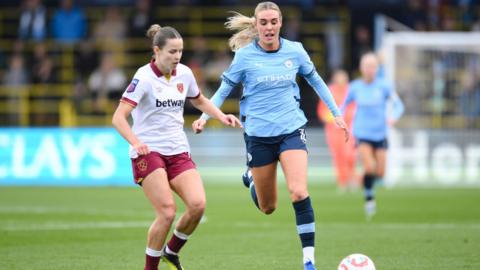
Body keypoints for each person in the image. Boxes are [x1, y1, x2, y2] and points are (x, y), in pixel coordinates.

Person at [191, 2, 348, 270]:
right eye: (263, 22)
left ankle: (308, 260)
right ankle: (251, 177)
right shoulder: (244, 57)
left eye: (273, 21)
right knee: (268, 207)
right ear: (256, 25)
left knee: (298, 192)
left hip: (291, 130)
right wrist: (205, 117)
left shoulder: (295, 51)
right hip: (258, 136)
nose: (269, 27)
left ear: (280, 23)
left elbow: (317, 81)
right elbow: (223, 89)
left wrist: (337, 114)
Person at [112, 24, 241, 270]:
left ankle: (171, 253)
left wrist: (221, 116)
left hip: (178, 150)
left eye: (180, 51)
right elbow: (118, 118)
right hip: (149, 152)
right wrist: (136, 142)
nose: (177, 57)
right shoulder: (143, 77)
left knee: (197, 205)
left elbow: (199, 100)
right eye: (172, 52)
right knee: (167, 211)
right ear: (157, 51)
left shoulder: (184, 73)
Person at [341, 52, 404, 219]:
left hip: (380, 133)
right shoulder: (355, 87)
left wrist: (393, 118)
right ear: (361, 68)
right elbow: (343, 105)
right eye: (366, 66)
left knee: (381, 173)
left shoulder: (384, 86)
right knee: (369, 167)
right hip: (362, 133)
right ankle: (369, 198)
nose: (369, 69)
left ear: (377, 68)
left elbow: (399, 105)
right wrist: (339, 119)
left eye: (373, 66)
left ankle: (366, 187)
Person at [317, 69, 357, 192]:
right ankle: (342, 181)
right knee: (338, 156)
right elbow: (322, 111)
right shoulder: (329, 91)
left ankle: (352, 178)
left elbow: (355, 108)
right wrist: (333, 119)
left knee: (350, 155)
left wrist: (347, 118)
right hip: (333, 131)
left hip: (350, 128)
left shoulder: (351, 90)